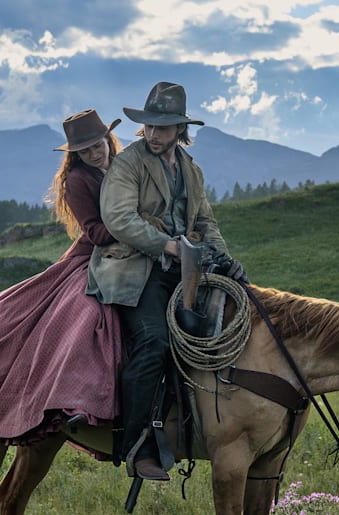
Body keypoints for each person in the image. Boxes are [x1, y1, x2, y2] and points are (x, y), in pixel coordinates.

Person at [0, 109, 125, 447]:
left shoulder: (122, 169)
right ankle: (73, 399)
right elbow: (94, 231)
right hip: (93, 257)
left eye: (98, 145)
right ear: (76, 155)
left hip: (130, 255)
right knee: (87, 314)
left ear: (108, 140)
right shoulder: (77, 181)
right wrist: (136, 225)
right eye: (86, 150)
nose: (95, 153)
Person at [88, 82, 245, 481]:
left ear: (179, 129)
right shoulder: (128, 164)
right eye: (150, 127)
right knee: (155, 342)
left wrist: (223, 258)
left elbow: (205, 222)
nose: (154, 135)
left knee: (232, 329)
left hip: (186, 271)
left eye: (163, 128)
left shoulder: (191, 170)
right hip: (136, 270)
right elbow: (119, 219)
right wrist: (168, 246)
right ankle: (136, 447)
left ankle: (213, 428)